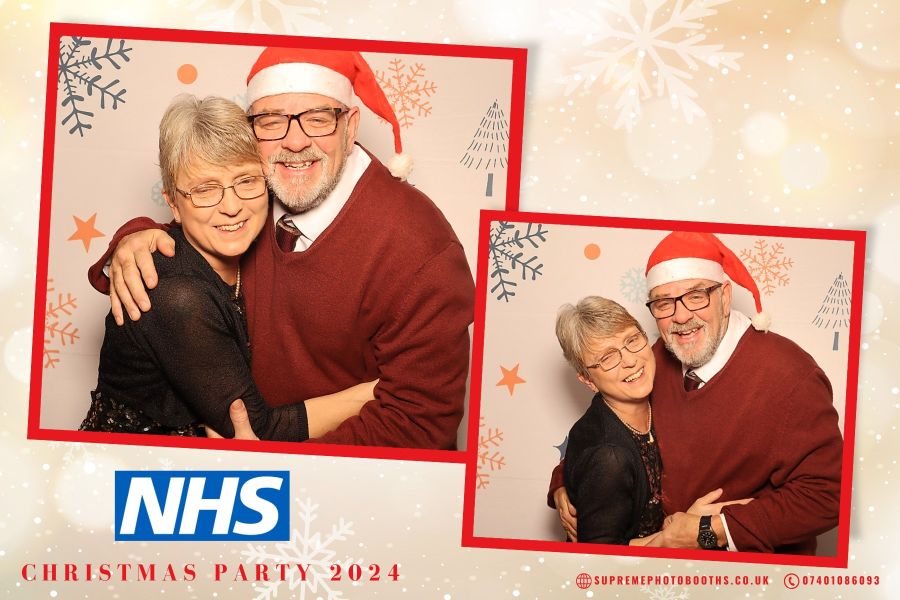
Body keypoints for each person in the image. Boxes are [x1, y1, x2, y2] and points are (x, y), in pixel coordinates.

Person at [87, 48, 474, 448]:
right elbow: (204, 213)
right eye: (271, 122)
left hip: (339, 488)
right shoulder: (266, 184)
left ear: (351, 125)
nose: (294, 142)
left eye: (319, 119)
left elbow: (420, 425)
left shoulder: (419, 247)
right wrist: (133, 237)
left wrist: (279, 472)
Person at [81, 95, 373, 439]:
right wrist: (376, 392)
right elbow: (255, 429)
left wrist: (135, 232)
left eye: (247, 181)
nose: (232, 207)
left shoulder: (268, 245)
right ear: (173, 202)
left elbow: (329, 162)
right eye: (205, 190)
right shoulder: (175, 294)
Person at [549, 231, 842, 554]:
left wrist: (709, 531)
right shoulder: (658, 356)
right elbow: (612, 425)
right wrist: (564, 483)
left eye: (696, 296)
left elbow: (827, 497)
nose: (682, 316)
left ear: (726, 297)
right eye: (664, 303)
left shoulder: (790, 376)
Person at [555, 296, 750, 545]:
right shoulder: (607, 457)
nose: (630, 361)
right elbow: (598, 561)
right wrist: (681, 534)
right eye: (607, 358)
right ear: (587, 380)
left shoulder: (663, 385)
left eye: (632, 340)